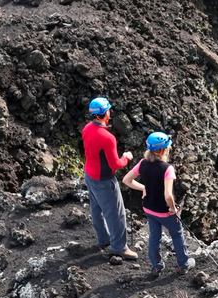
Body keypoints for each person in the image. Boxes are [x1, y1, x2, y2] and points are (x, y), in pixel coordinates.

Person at [121, 132, 196, 276]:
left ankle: (156, 266)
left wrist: (144, 188)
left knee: (154, 236)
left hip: (149, 208)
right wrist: (173, 209)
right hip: (164, 211)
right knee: (177, 235)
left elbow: (126, 180)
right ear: (164, 150)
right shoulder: (167, 168)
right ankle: (183, 265)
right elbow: (168, 195)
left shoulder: (142, 163)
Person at [82, 97, 138, 261]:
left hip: (89, 174)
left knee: (96, 209)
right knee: (116, 214)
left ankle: (103, 239)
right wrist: (126, 157)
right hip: (104, 180)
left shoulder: (87, 128)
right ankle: (119, 248)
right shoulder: (107, 137)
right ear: (105, 113)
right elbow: (115, 163)